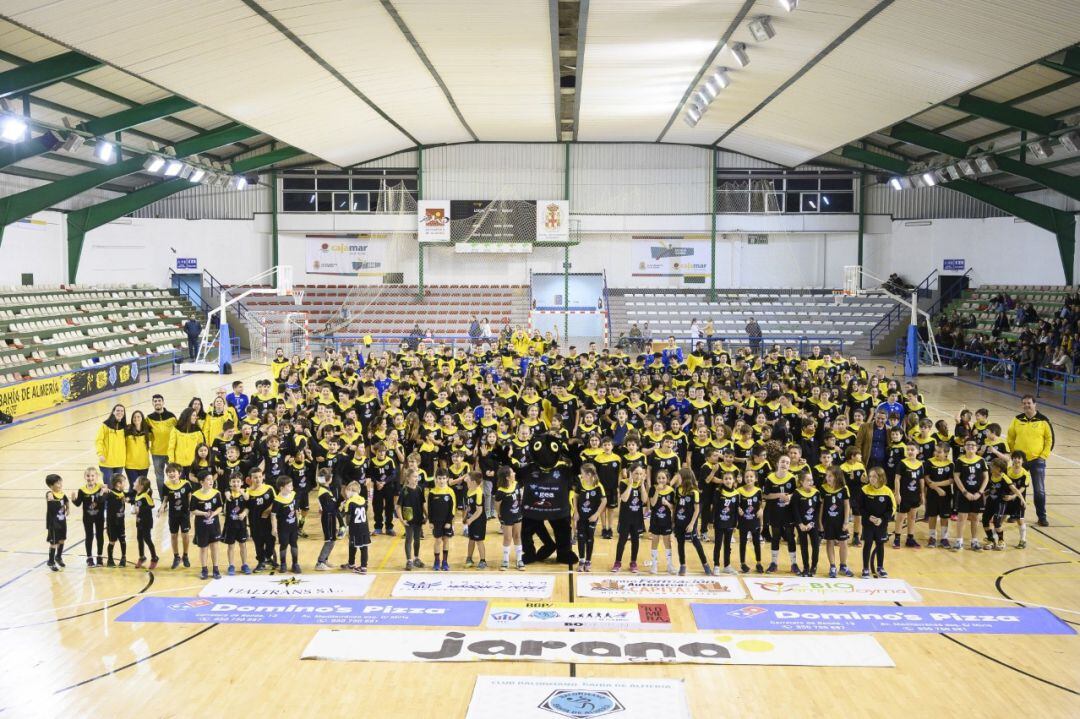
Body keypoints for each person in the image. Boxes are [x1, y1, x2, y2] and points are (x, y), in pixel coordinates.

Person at [1006, 395, 1053, 527]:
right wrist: (1013, 453)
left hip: (1037, 461)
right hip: (1020, 462)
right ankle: (1015, 515)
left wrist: (1043, 456)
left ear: (1035, 404)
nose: (1026, 405)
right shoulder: (1017, 419)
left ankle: (1042, 517)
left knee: (1039, 490)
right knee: (1016, 488)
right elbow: (1010, 437)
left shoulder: (1043, 420)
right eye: (1024, 403)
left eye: (1029, 403)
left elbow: (1050, 439)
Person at [861, 467, 895, 578]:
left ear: (881, 477)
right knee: (868, 544)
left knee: (880, 545)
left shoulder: (887, 491)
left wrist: (882, 519)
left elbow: (892, 509)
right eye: (870, 476)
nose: (872, 479)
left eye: (874, 476)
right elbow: (860, 507)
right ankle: (865, 568)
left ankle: (880, 567)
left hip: (881, 524)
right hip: (868, 523)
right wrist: (868, 517)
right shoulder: (864, 490)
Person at [191, 472, 223, 580]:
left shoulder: (216, 493)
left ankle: (216, 569)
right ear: (201, 482)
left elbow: (220, 507)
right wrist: (204, 513)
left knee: (214, 547)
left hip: (214, 525)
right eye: (208, 479)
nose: (211, 481)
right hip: (201, 526)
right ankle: (204, 569)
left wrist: (214, 513)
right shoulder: (195, 495)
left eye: (211, 479)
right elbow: (193, 510)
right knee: (203, 548)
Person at [72, 467, 106, 568]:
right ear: (84, 477)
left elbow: (102, 501)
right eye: (88, 476)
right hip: (87, 518)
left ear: (96, 477)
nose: (90, 478)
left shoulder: (101, 487)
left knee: (99, 536)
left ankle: (99, 557)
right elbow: (78, 503)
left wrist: (101, 493)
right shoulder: (82, 490)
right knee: (89, 536)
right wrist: (74, 499)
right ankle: (89, 558)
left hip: (99, 517)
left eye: (92, 476)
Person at [146, 395, 176, 500]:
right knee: (159, 478)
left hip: (171, 452)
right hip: (157, 453)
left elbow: (177, 432)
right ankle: (163, 500)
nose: (157, 403)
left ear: (163, 402)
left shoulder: (171, 416)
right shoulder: (149, 418)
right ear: (152, 403)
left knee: (176, 475)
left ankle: (176, 498)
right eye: (155, 401)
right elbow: (148, 435)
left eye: (159, 401)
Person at [222, 475, 251, 575]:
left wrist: (244, 513)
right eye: (233, 481)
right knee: (231, 546)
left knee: (243, 545)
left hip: (241, 525)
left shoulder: (244, 493)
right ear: (230, 483)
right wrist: (227, 493)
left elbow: (248, 506)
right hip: (230, 525)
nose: (236, 484)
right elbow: (226, 492)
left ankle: (244, 564)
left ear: (242, 483)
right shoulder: (227, 493)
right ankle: (231, 565)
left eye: (238, 481)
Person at [272, 476, 301, 573]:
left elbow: (296, 507)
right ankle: (283, 563)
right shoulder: (277, 500)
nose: (292, 487)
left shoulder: (293, 494)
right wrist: (274, 528)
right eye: (289, 486)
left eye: (291, 485)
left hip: (293, 526)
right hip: (283, 527)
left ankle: (295, 563)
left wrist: (298, 516)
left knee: (294, 544)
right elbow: (273, 515)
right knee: (283, 545)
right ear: (281, 488)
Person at [428, 471, 456, 571]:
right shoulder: (432, 492)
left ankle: (445, 562)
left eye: (444, 478)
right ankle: (436, 561)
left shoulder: (450, 491)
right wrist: (430, 521)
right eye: (439, 478)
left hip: (447, 521)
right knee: (438, 540)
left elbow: (452, 509)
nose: (441, 480)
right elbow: (429, 508)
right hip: (436, 521)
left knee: (446, 540)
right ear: (436, 479)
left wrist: (449, 521)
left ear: (447, 479)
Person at [341, 480, 370, 573]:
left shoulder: (350, 502)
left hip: (355, 528)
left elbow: (348, 518)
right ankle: (364, 566)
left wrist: (347, 527)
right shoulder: (363, 500)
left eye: (347, 490)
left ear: (350, 489)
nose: (346, 492)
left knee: (352, 545)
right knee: (364, 547)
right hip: (365, 527)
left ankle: (352, 563)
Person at [95, 404, 127, 486]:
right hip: (106, 462)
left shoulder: (125, 427)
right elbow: (99, 440)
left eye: (122, 411)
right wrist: (100, 454)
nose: (120, 412)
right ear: (113, 412)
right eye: (117, 410)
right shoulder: (105, 425)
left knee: (117, 487)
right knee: (109, 487)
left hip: (119, 462)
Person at [132, 477, 158, 570]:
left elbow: (152, 505)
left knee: (147, 539)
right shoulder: (138, 494)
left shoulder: (145, 496)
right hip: (139, 520)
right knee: (139, 538)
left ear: (141, 486)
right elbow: (137, 504)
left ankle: (154, 557)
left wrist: (140, 509)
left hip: (146, 521)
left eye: (135, 482)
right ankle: (142, 557)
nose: (133, 482)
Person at [463, 472, 488, 568]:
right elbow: (469, 506)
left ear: (473, 482)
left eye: (468, 478)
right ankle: (469, 558)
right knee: (471, 539)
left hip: (479, 520)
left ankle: (483, 560)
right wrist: (466, 516)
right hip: (471, 519)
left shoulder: (478, 492)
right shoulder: (469, 491)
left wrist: (470, 520)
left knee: (479, 540)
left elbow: (479, 511)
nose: (466, 479)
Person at [45, 474, 69, 572]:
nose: (60, 484)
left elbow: (66, 501)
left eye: (60, 482)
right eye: (57, 483)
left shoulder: (62, 494)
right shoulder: (49, 493)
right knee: (54, 542)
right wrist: (50, 497)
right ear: (51, 486)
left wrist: (68, 508)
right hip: (53, 523)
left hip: (62, 521)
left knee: (62, 540)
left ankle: (58, 557)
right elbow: (49, 498)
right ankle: (51, 561)